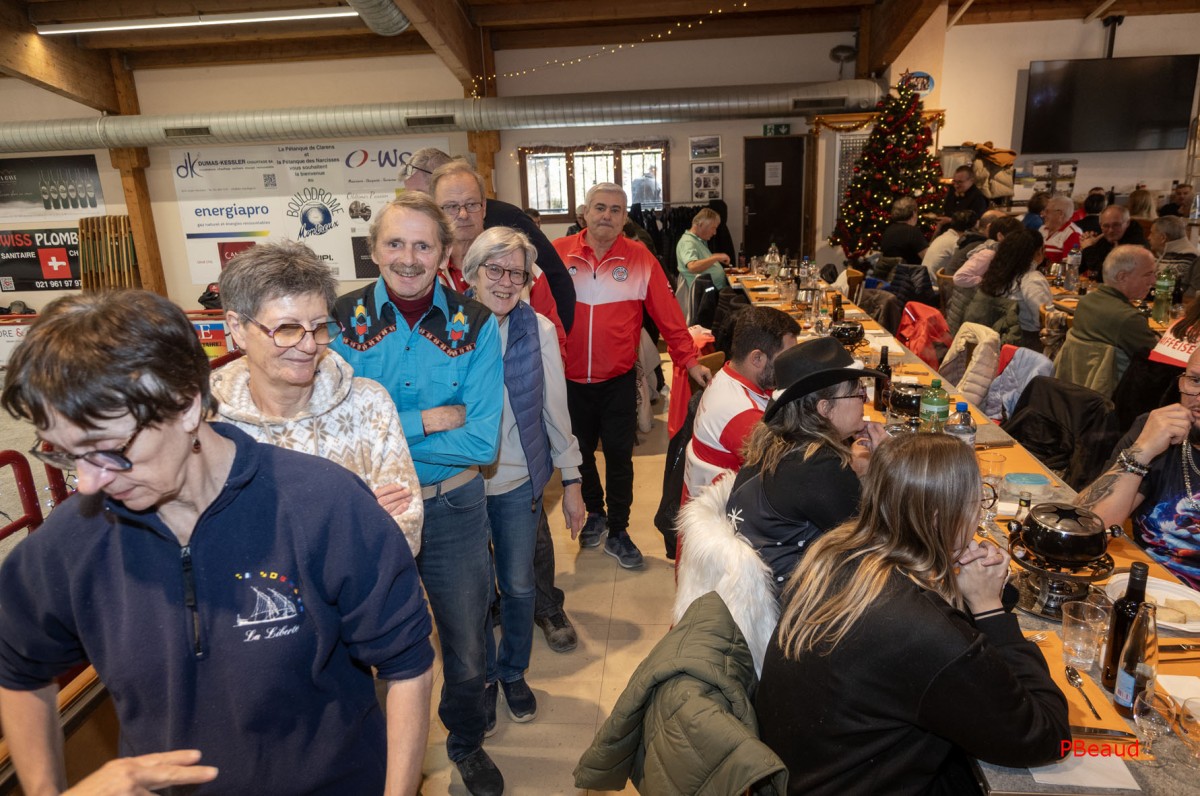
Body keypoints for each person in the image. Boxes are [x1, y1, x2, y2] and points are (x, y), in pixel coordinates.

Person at [0, 290, 434, 795]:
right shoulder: (69, 542)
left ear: (187, 405)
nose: (91, 481)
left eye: (110, 451)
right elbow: (18, 665)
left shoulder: (323, 503)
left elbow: (407, 665)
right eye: (68, 455)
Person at [756, 433, 1069, 795]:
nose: (978, 516)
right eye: (977, 502)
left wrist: (975, 584)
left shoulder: (835, 554)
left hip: (806, 772)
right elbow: (1045, 736)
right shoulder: (921, 629)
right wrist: (990, 609)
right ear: (938, 518)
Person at [331, 192, 506, 795]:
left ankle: (466, 741)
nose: (409, 258)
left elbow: (481, 441)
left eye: (424, 245)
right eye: (396, 243)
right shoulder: (339, 321)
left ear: (445, 252)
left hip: (453, 505)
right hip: (366, 510)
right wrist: (428, 420)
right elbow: (335, 431)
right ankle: (377, 755)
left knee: (466, 641)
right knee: (361, 642)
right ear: (375, 249)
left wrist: (379, 429)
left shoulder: (475, 324)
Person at [211, 240, 423, 554]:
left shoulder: (368, 403)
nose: (310, 346)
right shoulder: (205, 421)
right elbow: (212, 548)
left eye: (319, 326)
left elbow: (404, 535)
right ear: (238, 328)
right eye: (287, 329)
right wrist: (358, 514)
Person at [554, 182, 711, 569]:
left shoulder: (640, 258)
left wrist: (690, 361)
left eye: (615, 210)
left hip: (618, 381)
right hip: (568, 380)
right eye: (599, 207)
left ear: (625, 218)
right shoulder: (558, 253)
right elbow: (536, 311)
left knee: (620, 457)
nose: (606, 215)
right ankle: (595, 512)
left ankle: (619, 530)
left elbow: (669, 316)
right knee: (579, 453)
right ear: (584, 213)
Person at [724, 337, 887, 592]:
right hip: (794, 599)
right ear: (825, 408)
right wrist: (888, 465)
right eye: (858, 393)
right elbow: (876, 542)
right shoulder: (818, 467)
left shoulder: (778, 444)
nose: (864, 401)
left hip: (757, 586)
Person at [401, 146, 576, 333]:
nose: (463, 214)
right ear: (437, 211)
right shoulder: (424, 272)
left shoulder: (522, 269)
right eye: (451, 206)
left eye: (471, 204)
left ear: (484, 207)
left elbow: (553, 335)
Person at [1078, 345, 1200, 589]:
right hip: (1145, 588)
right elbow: (1085, 531)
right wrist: (1142, 451)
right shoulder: (1157, 431)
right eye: (1195, 381)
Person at [682, 307, 800, 501]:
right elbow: (795, 475)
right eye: (785, 359)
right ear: (757, 358)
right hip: (731, 513)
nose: (791, 367)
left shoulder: (729, 375)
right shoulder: (742, 415)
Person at [1071, 244, 1159, 370]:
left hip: (1080, 377)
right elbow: (1158, 361)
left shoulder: (1085, 302)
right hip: (1115, 381)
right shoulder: (1129, 318)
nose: (1153, 281)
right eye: (1147, 274)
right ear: (1122, 277)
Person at [975, 228, 1053, 351]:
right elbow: (1045, 320)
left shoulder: (997, 274)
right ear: (1038, 251)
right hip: (1024, 342)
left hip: (994, 336)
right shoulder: (1032, 279)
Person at [951, 214, 1024, 288]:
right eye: (1015, 235)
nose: (1019, 239)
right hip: (974, 293)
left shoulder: (1008, 251)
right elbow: (959, 277)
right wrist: (988, 282)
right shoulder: (988, 253)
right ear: (1000, 236)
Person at [1080, 204, 1149, 279]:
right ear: (1100, 225)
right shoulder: (1104, 239)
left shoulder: (1136, 245)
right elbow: (1079, 268)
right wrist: (1086, 246)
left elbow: (1109, 274)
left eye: (1116, 225)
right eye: (1106, 226)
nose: (1111, 230)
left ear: (1127, 223)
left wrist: (1088, 248)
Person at [676, 207, 731, 290]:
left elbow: (700, 259)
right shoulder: (687, 242)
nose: (715, 232)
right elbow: (693, 267)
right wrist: (715, 258)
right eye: (713, 228)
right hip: (706, 293)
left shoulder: (698, 240)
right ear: (701, 225)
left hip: (713, 289)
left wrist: (715, 258)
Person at [1149, 214, 1200, 297]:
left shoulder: (1189, 257)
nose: (1148, 237)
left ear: (1163, 238)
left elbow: (1170, 292)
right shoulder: (1161, 252)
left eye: (1151, 233)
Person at [922, 209, 975, 278]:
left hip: (924, 280)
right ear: (970, 229)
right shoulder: (956, 242)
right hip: (935, 284)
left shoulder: (944, 236)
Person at [879, 196, 929, 264]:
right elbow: (929, 259)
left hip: (890, 270)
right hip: (910, 270)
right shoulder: (912, 232)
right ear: (913, 213)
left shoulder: (888, 230)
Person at [1038, 193, 1080, 265]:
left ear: (1060, 214)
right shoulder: (1042, 229)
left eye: (1047, 211)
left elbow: (1071, 266)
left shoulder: (1073, 234)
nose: (1043, 214)